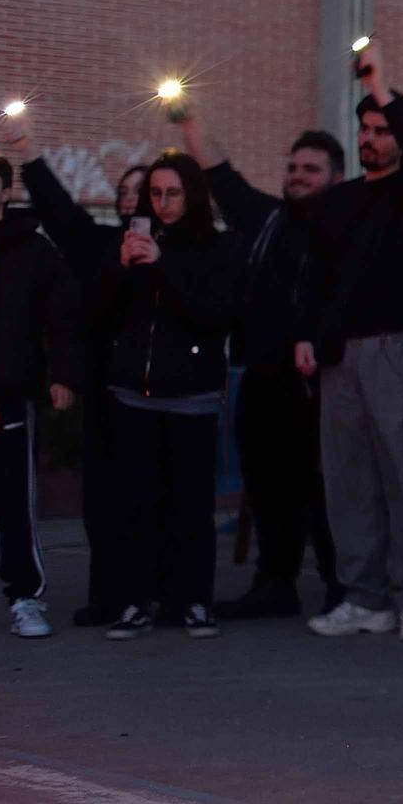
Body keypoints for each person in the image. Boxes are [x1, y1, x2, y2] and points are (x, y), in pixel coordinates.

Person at [297, 40, 403, 642]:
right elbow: (316, 276)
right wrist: (305, 335)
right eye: (364, 128)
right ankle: (365, 597)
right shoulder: (337, 201)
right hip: (341, 356)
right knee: (348, 478)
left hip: (397, 348)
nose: (371, 137)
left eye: (381, 128)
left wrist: (381, 83)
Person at [176, 111, 346, 620]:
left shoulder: (344, 228)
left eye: (310, 169)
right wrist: (188, 123)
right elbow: (221, 175)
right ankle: (276, 585)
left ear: (335, 176)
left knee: (323, 489)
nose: (298, 175)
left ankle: (343, 587)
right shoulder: (268, 217)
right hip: (261, 376)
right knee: (268, 486)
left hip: (319, 379)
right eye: (293, 167)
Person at [4, 113, 147, 626]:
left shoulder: (178, 250)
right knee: (102, 498)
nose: (132, 198)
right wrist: (29, 150)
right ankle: (108, 596)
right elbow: (61, 212)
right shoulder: (100, 242)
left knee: (152, 498)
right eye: (126, 190)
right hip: (108, 387)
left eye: (144, 190)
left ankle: (158, 595)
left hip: (160, 393)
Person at [94, 152, 242, 640]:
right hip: (134, 392)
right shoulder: (132, 239)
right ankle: (138, 600)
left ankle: (193, 599)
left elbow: (215, 313)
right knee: (137, 504)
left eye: (172, 193)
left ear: (192, 194)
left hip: (191, 395)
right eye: (154, 194)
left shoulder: (215, 247)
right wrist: (120, 269)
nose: (162, 203)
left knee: (191, 506)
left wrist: (163, 267)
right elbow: (104, 314)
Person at [0, 150, 81, 638]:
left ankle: (25, 599)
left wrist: (62, 374)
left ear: (5, 190)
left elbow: (62, 318)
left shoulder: (31, 249)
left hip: (6, 397)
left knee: (14, 506)